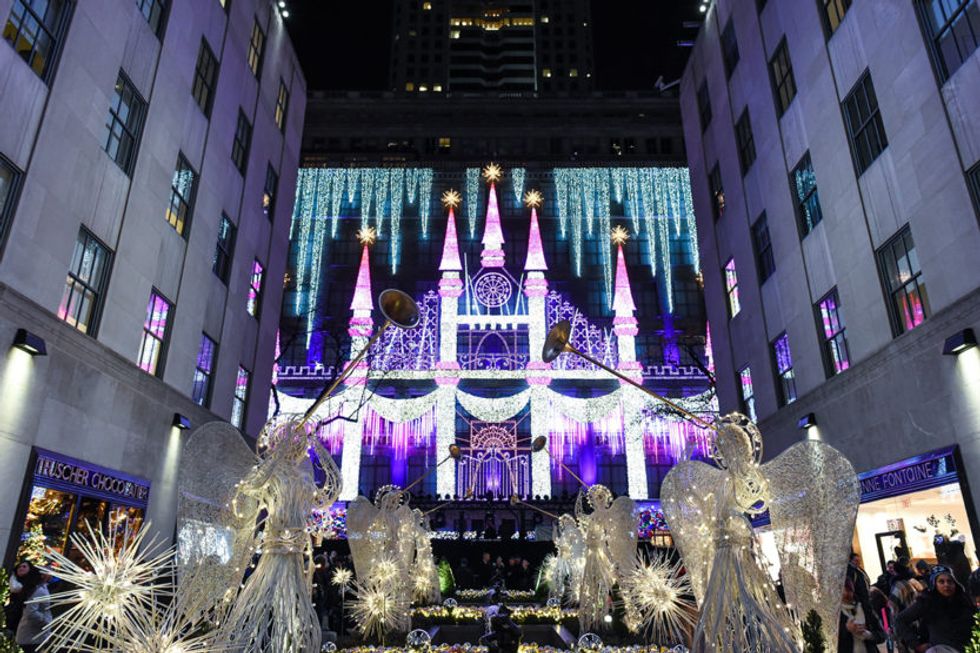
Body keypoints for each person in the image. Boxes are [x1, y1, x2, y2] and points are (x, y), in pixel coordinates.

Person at [896, 565, 975, 652]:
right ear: (934, 584)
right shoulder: (927, 601)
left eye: (950, 581)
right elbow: (900, 620)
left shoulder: (965, 601)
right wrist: (916, 644)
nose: (946, 585)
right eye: (941, 582)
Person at [838, 578, 886, 653]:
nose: (845, 594)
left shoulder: (865, 609)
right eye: (842, 590)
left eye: (848, 590)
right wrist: (846, 628)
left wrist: (869, 635)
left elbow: (882, 635)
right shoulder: (835, 614)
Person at [14, 564, 51, 653]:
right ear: (43, 575)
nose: (52, 574)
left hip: (34, 636)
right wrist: (46, 621)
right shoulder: (39, 590)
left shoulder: (42, 588)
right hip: (32, 637)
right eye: (49, 571)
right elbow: (31, 612)